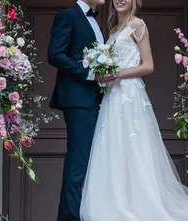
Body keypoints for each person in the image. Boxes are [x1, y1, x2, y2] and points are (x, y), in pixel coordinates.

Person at [79, 0, 188, 220]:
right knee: (114, 145)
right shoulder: (114, 30)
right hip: (112, 96)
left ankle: (141, 204)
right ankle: (115, 202)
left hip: (130, 94)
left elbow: (148, 65)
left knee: (134, 146)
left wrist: (117, 73)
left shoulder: (138, 25)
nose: (120, 0)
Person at [46, 0, 109, 220]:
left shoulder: (96, 19)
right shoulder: (68, 15)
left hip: (97, 98)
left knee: (93, 161)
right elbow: (55, 54)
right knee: (78, 163)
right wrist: (91, 74)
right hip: (78, 99)